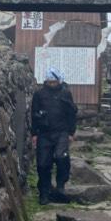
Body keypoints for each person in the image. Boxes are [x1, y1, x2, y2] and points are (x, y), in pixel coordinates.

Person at [31, 67, 78, 205]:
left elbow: (71, 113)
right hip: (44, 133)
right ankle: (44, 192)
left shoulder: (65, 93)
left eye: (54, 81)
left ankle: (60, 185)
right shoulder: (39, 94)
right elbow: (33, 114)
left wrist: (71, 132)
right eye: (50, 82)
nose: (52, 84)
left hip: (62, 132)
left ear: (59, 80)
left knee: (61, 156)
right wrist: (34, 133)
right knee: (43, 164)